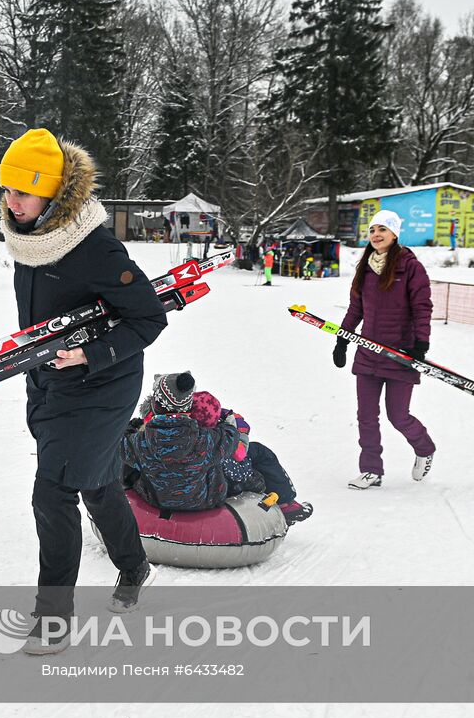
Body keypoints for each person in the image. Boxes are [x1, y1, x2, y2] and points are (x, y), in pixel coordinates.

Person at [0, 127, 167, 654]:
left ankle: (54, 619)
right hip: (50, 380)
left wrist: (91, 354)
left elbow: (148, 318)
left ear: (50, 193)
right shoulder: (31, 238)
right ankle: (135, 567)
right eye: (6, 190)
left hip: (102, 383)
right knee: (96, 483)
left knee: (53, 491)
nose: (11, 202)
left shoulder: (92, 245)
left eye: (22, 192)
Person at [123, 372, 311, 524]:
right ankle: (286, 503)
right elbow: (232, 435)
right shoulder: (208, 440)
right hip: (205, 500)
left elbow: (119, 444)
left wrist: (133, 426)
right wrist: (223, 420)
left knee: (124, 464)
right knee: (256, 453)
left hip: (156, 499)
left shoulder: (138, 442)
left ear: (155, 405)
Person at [334, 210, 435, 489]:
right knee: (365, 416)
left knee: (398, 415)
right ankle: (371, 470)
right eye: (372, 230)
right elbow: (356, 309)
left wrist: (421, 344)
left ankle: (425, 448)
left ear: (394, 234)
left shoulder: (410, 267)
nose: (376, 235)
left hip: (400, 353)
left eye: (382, 230)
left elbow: (422, 307)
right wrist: (342, 339)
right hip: (368, 352)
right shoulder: (365, 268)